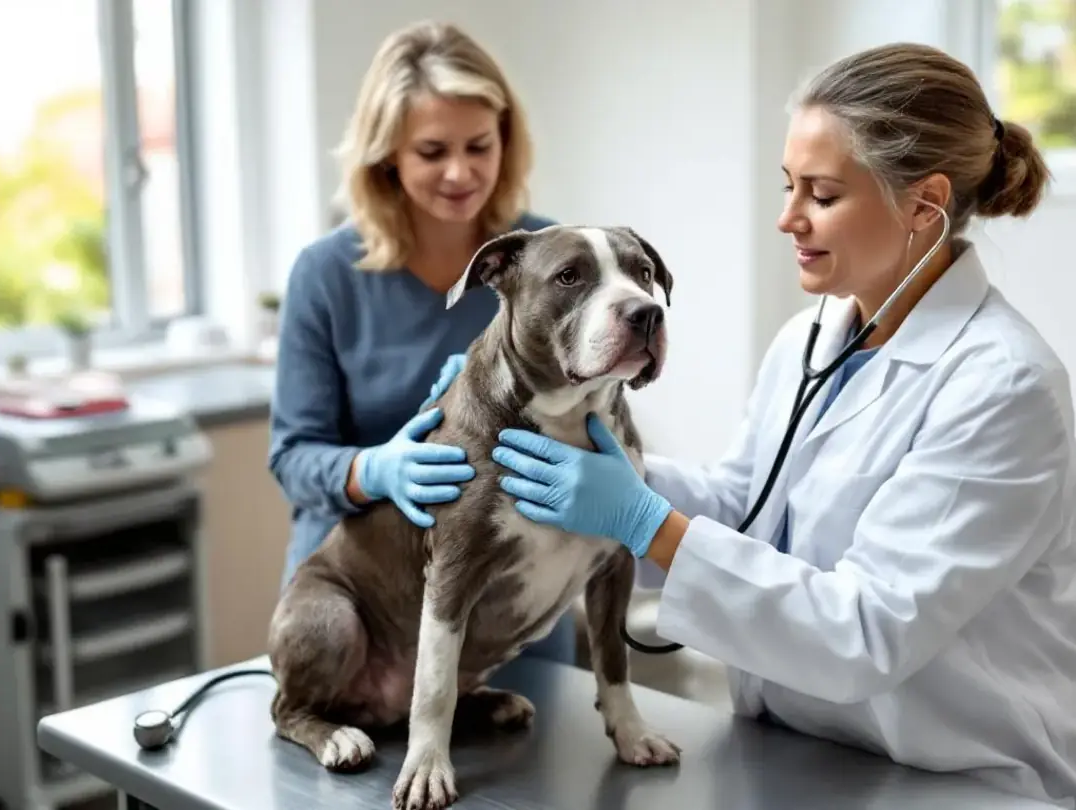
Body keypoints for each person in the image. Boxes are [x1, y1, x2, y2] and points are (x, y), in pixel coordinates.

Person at [432, 42, 1076, 806]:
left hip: (955, 779)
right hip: (796, 755)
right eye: (787, 186)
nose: (787, 218)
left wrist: (642, 520)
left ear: (924, 206)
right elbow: (746, 506)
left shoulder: (1004, 387)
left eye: (822, 193)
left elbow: (867, 631)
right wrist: (581, 472)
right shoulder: (813, 339)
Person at [267, 20, 576, 665]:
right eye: (432, 152)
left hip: (515, 603)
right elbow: (294, 456)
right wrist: (373, 470)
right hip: (365, 613)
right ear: (387, 157)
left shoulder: (550, 259)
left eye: (479, 146)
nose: (461, 173)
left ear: (506, 141)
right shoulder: (327, 275)